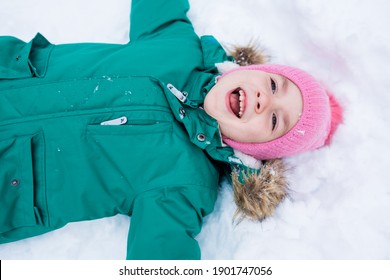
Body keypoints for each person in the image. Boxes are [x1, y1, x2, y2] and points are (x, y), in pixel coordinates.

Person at [0, 0, 342, 259]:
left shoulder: (185, 182)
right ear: (251, 69)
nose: (261, 101)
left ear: (255, 151)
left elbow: (161, 255)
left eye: (273, 121)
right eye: (272, 85)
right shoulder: (180, 47)